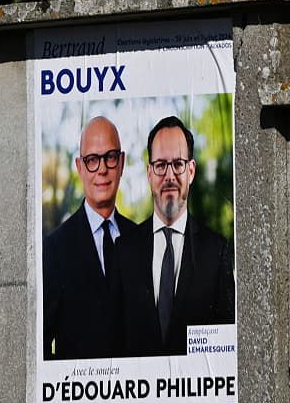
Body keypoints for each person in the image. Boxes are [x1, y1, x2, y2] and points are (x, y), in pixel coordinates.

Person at [113, 115, 235, 356]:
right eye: (160, 165)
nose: (169, 176)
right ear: (149, 173)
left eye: (178, 164)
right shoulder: (123, 250)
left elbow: (228, 345)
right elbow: (112, 343)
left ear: (191, 170)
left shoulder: (215, 250)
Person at [42, 115, 134, 360]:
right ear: (79, 167)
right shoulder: (54, 249)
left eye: (110, 157)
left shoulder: (143, 240)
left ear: (122, 162)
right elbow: (40, 349)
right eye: (92, 159)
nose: (102, 169)